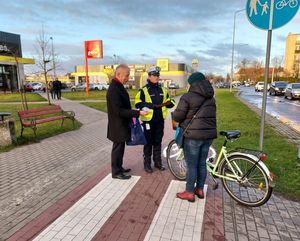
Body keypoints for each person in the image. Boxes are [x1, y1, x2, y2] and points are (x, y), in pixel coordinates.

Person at [172, 72, 217, 202]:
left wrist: (175, 114)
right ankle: (200, 189)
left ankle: (189, 192)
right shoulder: (211, 98)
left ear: (192, 84)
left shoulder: (187, 97)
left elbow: (178, 117)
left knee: (192, 165)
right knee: (202, 163)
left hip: (193, 136)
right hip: (208, 136)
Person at [106, 64, 148, 180]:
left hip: (121, 124)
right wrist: (137, 113)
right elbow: (119, 111)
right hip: (117, 125)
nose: (128, 78)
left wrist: (133, 111)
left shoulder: (118, 86)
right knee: (117, 148)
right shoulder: (114, 88)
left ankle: (119, 167)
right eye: (127, 75)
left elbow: (122, 107)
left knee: (120, 147)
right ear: (118, 74)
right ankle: (116, 172)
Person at [135, 66, 175, 173]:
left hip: (159, 121)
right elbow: (137, 103)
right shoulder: (143, 90)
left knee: (158, 142)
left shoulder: (163, 89)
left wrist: (170, 103)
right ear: (149, 76)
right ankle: (147, 164)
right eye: (155, 75)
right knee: (148, 143)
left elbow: (170, 101)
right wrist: (148, 105)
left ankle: (158, 163)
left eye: (158, 75)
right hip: (148, 121)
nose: (157, 77)